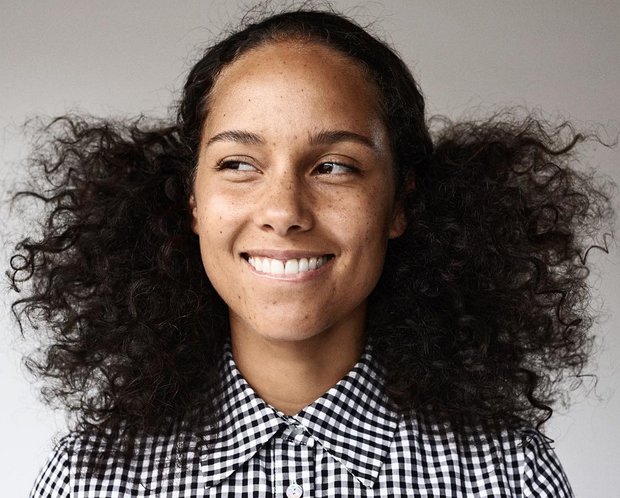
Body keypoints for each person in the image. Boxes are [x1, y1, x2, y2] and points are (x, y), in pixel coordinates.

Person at [11, 7, 613, 498]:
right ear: (192, 201)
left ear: (399, 203)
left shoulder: (508, 476)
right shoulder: (91, 479)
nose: (284, 211)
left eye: (334, 166)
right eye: (238, 164)